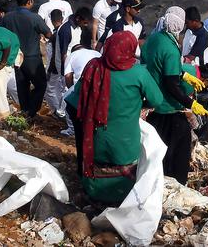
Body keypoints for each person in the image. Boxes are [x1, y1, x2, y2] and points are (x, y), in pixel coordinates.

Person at [66, 31, 166, 205]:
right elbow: (157, 99)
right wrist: (140, 106)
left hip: (97, 137)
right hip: (126, 141)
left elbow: (78, 97)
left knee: (95, 161)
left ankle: (93, 195)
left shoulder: (94, 67)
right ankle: (121, 198)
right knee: (124, 170)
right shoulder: (138, 73)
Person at [141, 6, 208, 184]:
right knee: (177, 148)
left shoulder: (154, 39)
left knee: (155, 147)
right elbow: (171, 84)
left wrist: (184, 74)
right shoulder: (170, 49)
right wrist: (190, 103)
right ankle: (175, 183)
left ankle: (153, 180)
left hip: (152, 102)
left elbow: (157, 67)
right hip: (168, 107)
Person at [2, 0, 53, 120]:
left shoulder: (7, 18)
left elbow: (1, 35)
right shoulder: (34, 18)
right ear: (29, 1)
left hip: (16, 57)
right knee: (41, 84)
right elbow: (48, 34)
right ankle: (31, 111)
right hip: (32, 58)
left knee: (22, 86)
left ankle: (25, 111)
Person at [46, 8, 86, 120]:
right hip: (66, 64)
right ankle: (61, 112)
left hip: (71, 63)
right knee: (66, 89)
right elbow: (62, 53)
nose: (86, 25)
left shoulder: (76, 27)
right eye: (85, 22)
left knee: (62, 89)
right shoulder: (66, 30)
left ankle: (60, 111)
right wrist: (66, 69)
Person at [62, 26, 101, 138]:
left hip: (83, 83)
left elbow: (68, 75)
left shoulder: (71, 56)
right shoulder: (95, 53)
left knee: (67, 99)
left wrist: (72, 89)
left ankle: (71, 130)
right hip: (100, 84)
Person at [181, 7, 208, 73]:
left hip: (198, 72)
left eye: (187, 22)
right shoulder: (189, 30)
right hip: (186, 67)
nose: (185, 24)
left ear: (195, 21)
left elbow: (190, 58)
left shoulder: (203, 36)